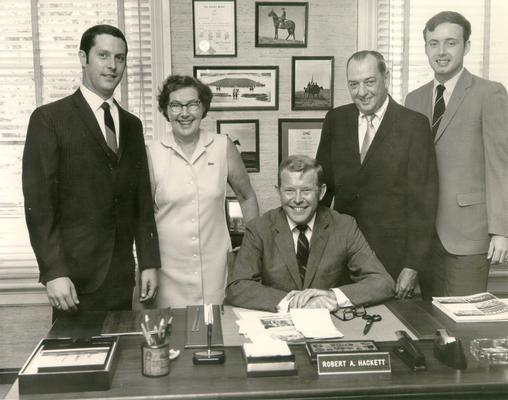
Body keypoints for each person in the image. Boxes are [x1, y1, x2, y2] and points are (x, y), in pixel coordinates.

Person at [22, 25, 160, 319]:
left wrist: (149, 261)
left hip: (122, 277)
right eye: (103, 55)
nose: (112, 66)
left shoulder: (132, 125)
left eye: (120, 58)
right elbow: (39, 206)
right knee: (75, 362)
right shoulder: (49, 119)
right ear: (83, 58)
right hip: (72, 281)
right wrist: (53, 272)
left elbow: (141, 202)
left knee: (122, 358)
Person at [316, 50, 437, 300]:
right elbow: (322, 190)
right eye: (354, 84)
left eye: (369, 82)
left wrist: (412, 265)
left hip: (391, 258)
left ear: (386, 78)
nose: (362, 92)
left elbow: (423, 203)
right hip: (340, 255)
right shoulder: (336, 120)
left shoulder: (414, 125)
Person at [405, 11, 508, 298]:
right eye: (433, 43)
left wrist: (501, 231)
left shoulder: (490, 94)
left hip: (468, 235)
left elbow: (501, 166)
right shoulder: (413, 100)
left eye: (450, 43)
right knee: (429, 325)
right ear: (425, 47)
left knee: (464, 323)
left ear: (467, 47)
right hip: (422, 237)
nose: (441, 51)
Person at [226, 155, 394, 312]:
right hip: (278, 325)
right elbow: (238, 287)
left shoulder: (345, 226)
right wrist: (292, 301)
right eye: (289, 191)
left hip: (331, 324)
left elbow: (383, 282)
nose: (298, 199)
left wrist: (332, 296)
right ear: (279, 191)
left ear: (321, 192)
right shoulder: (259, 228)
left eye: (306, 190)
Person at [147, 75, 259, 308]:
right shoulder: (152, 152)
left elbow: (246, 196)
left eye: (192, 104)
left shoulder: (222, 146)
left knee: (219, 334)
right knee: (173, 337)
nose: (184, 113)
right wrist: (146, 265)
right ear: (166, 111)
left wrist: (252, 246)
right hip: (168, 272)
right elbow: (142, 216)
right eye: (176, 105)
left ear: (203, 107)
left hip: (215, 269)